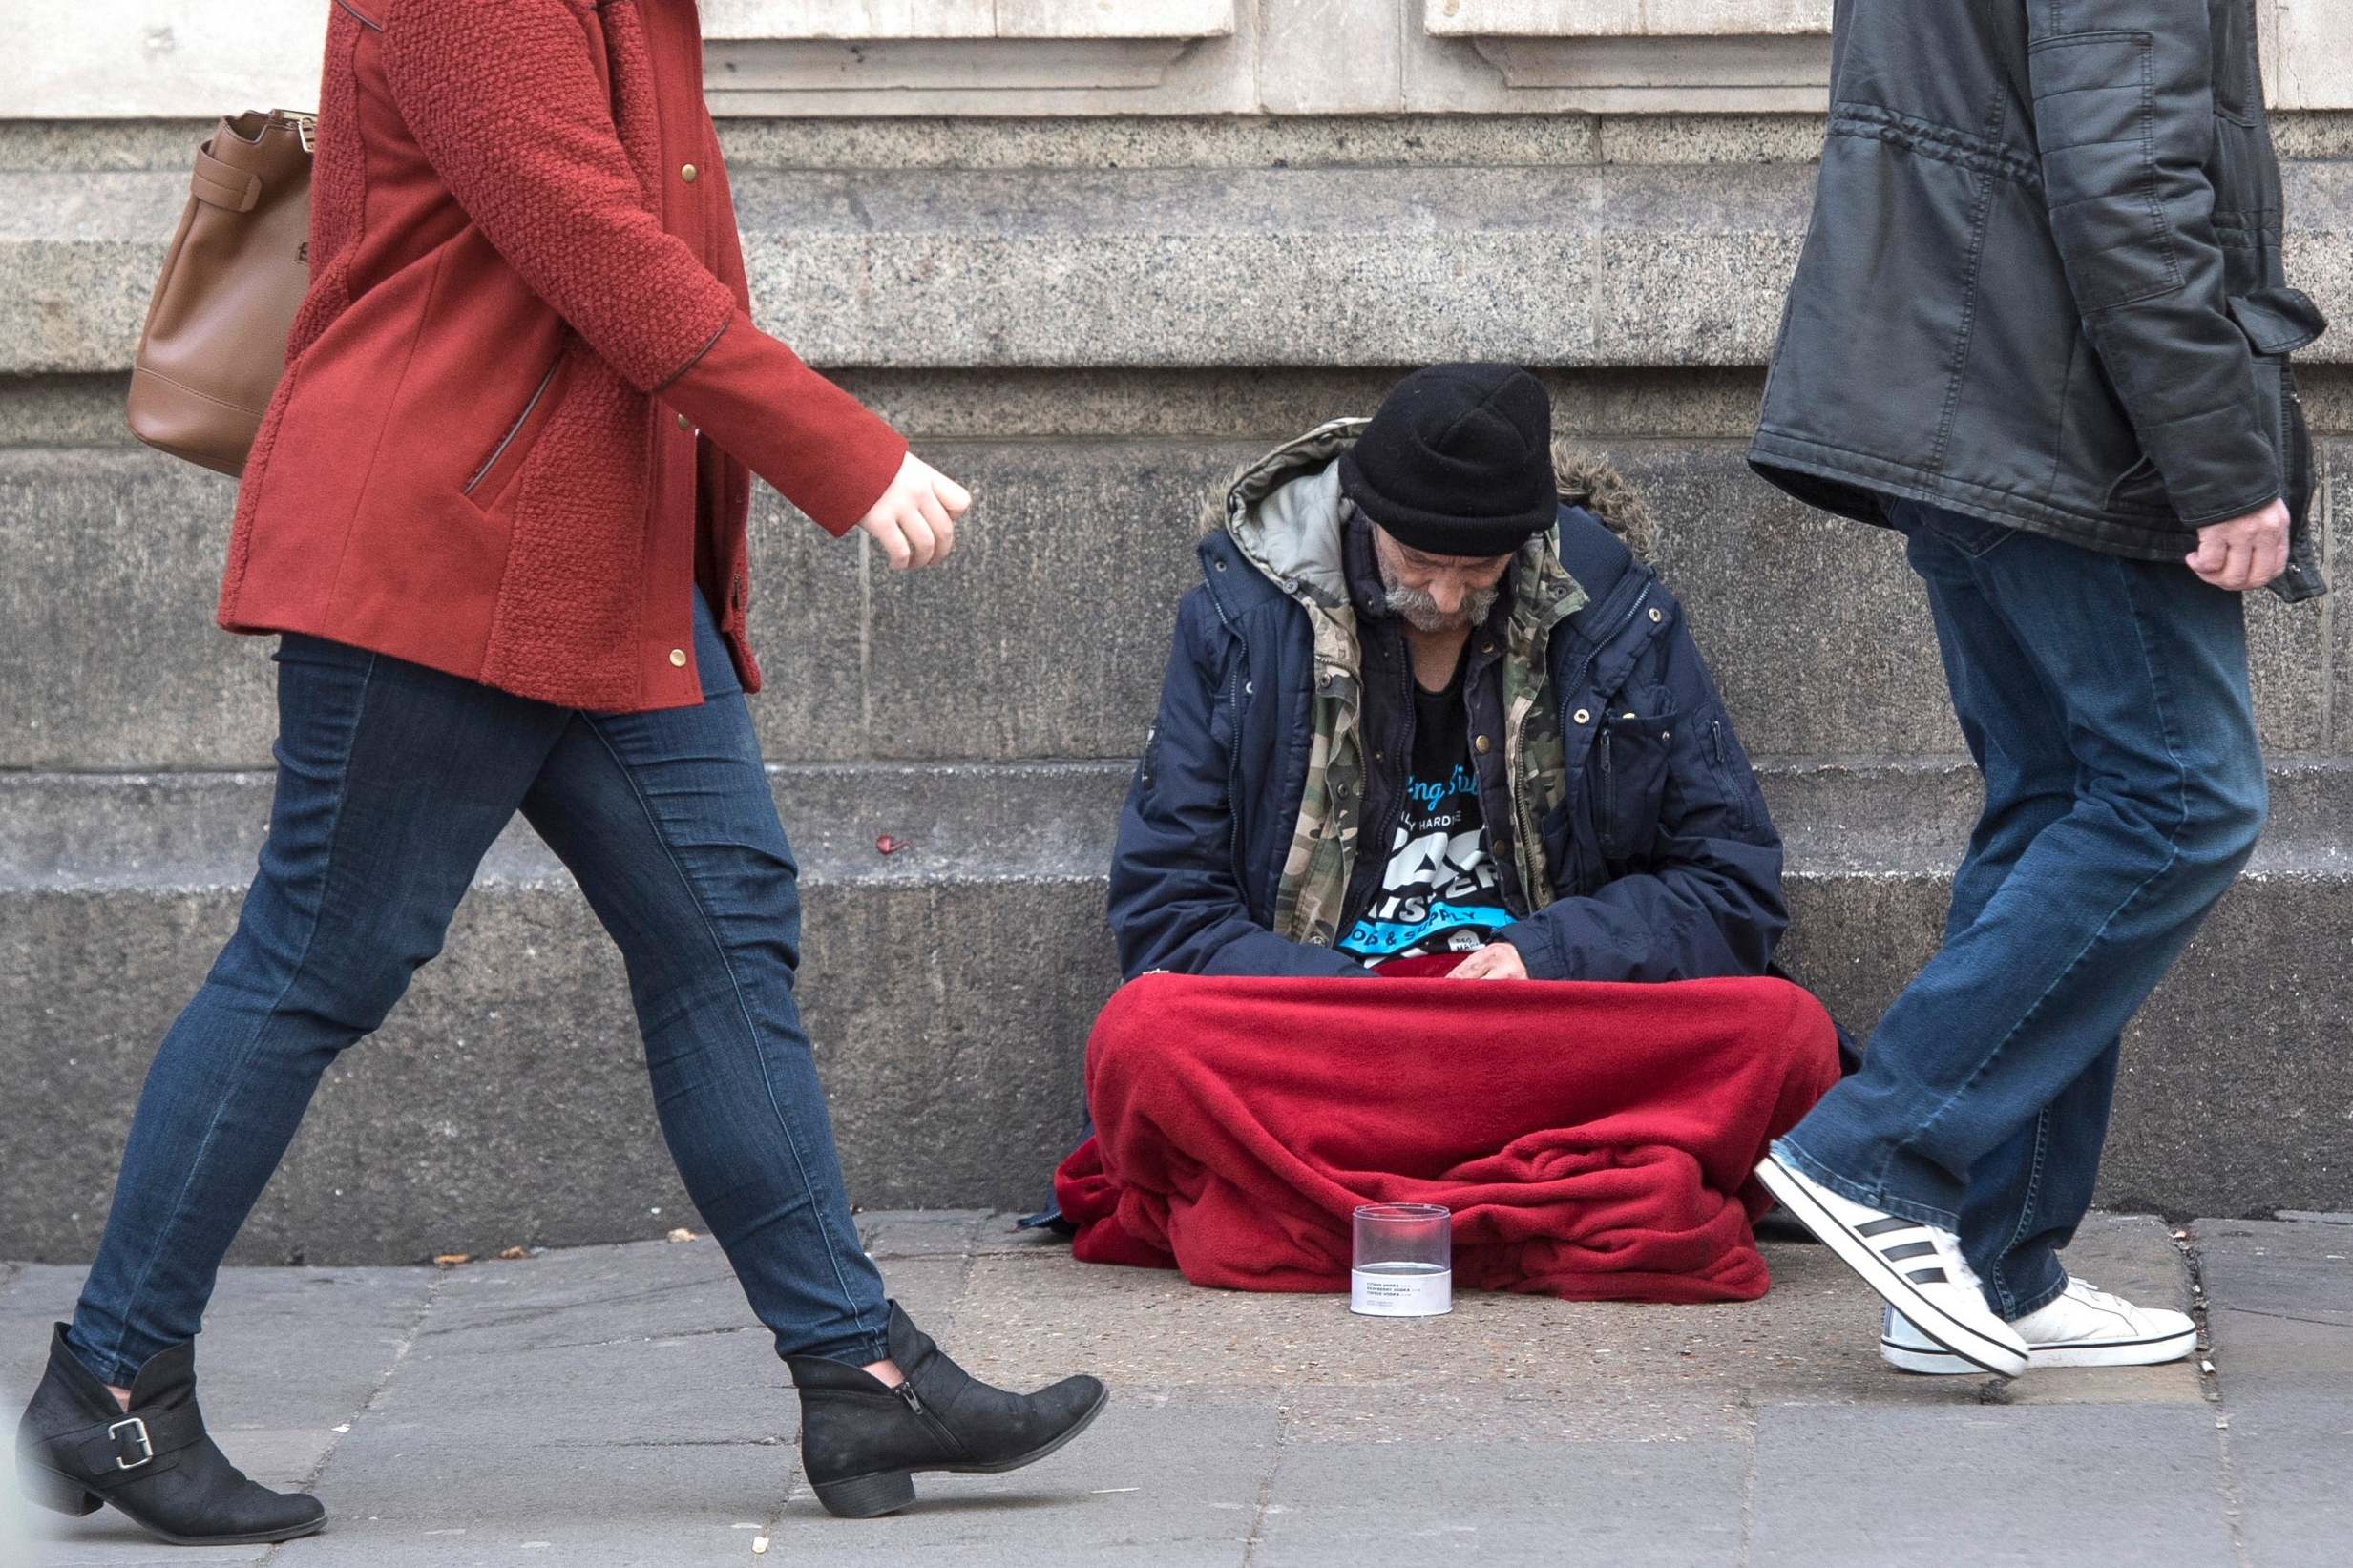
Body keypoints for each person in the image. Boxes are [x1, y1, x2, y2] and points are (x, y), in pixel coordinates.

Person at [14, 0, 1104, 1541]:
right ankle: (111, 1385)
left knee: (724, 934)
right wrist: (838, 452)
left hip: (601, 564)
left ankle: (860, 1370)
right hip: (438, 554)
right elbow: (599, 249)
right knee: (316, 959)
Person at [1746, 0, 2324, 1378]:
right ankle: (1879, 1151)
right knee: (2178, 800)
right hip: (2058, 416)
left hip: (1960, 392)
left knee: (2058, 803)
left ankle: (1993, 1262)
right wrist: (2219, 454)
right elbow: (2126, 177)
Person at [1052, 365, 1843, 1304]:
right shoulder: (1243, 618)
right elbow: (1166, 912)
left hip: (1537, 1018)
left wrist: (1546, 954)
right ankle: (1551, 1201)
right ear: (1361, 512)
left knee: (1785, 1034)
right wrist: (1345, 996)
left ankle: (1326, 1207)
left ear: (1525, 541)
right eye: (1415, 562)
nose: (1442, 596)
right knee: (1141, 1034)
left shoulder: (1618, 616)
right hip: (1333, 1022)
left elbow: (1730, 885)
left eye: (1477, 571)